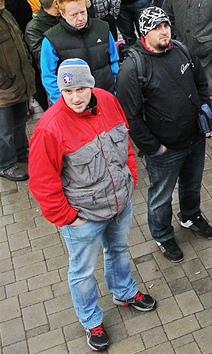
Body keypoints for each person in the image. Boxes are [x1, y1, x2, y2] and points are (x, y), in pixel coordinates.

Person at [28, 59, 156, 352]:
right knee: (83, 272)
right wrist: (68, 218)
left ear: (91, 86)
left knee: (120, 250)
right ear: (60, 90)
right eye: (68, 90)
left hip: (119, 203)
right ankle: (90, 320)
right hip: (83, 218)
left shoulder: (110, 101)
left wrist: (131, 177)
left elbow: (125, 143)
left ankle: (123, 292)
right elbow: (42, 181)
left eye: (82, 88)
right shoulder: (49, 128)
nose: (76, 97)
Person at [116, 6, 212, 263]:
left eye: (166, 25)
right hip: (165, 150)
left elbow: (201, 82)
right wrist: (154, 148)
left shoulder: (182, 50)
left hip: (194, 138)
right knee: (161, 196)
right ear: (143, 34)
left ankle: (190, 215)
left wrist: (204, 111)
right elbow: (132, 118)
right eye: (157, 27)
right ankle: (162, 234)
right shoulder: (132, 68)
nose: (164, 31)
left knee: (192, 185)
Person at [162, 0, 212, 119]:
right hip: (181, 50)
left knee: (209, 90)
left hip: (208, 52)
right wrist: (172, 39)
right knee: (183, 89)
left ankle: (210, 120)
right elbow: (167, 16)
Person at [40, 0, 119, 104]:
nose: (81, 18)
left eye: (83, 12)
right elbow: (48, 76)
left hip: (106, 96)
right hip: (75, 103)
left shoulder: (103, 28)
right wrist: (63, 102)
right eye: (74, 15)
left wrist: (116, 90)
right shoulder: (51, 39)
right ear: (63, 14)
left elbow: (114, 61)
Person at [0, 0, 36, 182]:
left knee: (20, 120)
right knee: (4, 129)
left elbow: (20, 42)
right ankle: (5, 164)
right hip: (3, 90)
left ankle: (21, 151)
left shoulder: (6, 14)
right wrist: (4, 81)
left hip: (19, 83)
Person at [24, 0, 61, 111]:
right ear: (56, 3)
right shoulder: (34, 28)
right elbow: (43, 59)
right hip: (56, 81)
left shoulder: (66, 18)